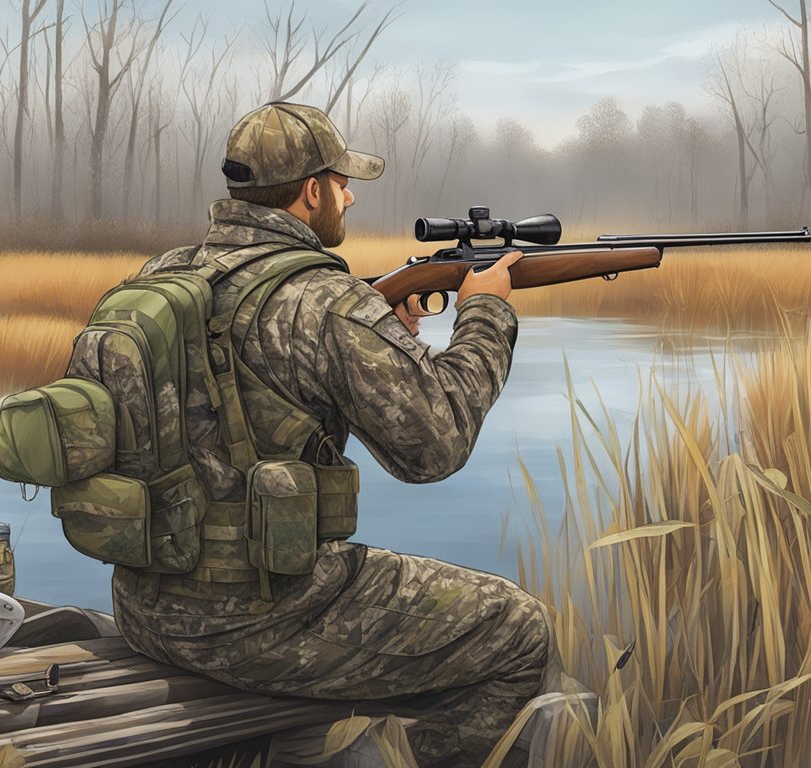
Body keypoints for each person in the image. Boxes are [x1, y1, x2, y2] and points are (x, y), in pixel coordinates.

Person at [112, 101, 554, 767]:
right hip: (262, 623)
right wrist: (484, 311)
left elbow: (241, 401)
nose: (350, 196)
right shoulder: (329, 301)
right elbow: (434, 448)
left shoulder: (159, 275)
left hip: (144, 608)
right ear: (311, 191)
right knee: (520, 631)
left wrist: (389, 346)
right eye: (342, 183)